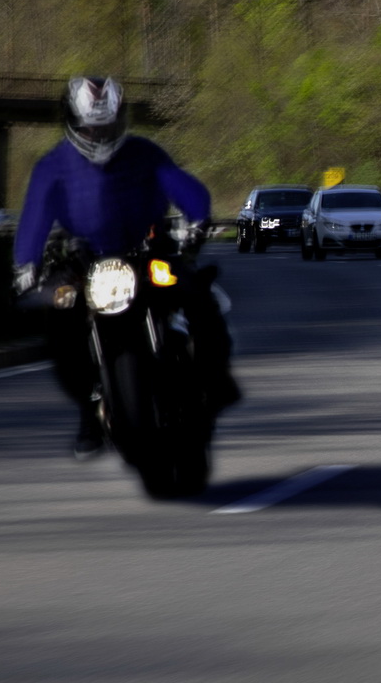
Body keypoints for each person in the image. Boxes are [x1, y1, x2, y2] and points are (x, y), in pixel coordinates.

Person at [14, 76, 239, 459]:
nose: (100, 134)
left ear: (121, 120)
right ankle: (89, 412)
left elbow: (185, 189)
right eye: (91, 127)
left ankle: (216, 379)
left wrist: (197, 220)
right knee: (61, 322)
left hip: (149, 252)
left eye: (107, 126)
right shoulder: (53, 167)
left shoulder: (144, 154)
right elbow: (34, 218)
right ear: (74, 122)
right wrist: (26, 266)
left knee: (200, 296)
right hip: (84, 262)